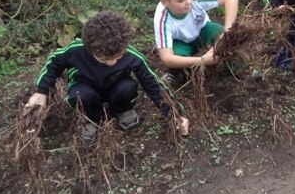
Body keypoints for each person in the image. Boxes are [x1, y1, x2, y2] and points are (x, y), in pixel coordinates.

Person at [24, 11, 189, 141]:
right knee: (79, 96)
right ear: (89, 49)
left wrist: (173, 113)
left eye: (117, 57)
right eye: (104, 59)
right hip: (85, 86)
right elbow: (54, 62)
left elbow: (153, 84)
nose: (112, 63)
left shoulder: (132, 56)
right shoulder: (76, 50)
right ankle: (92, 119)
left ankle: (122, 110)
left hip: (116, 88)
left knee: (127, 87)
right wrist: (41, 91)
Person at [153, 0, 239, 83]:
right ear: (165, 2)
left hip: (203, 30)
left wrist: (226, 33)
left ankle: (237, 67)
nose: (188, 1)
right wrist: (202, 60)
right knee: (176, 58)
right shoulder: (161, 19)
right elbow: (166, 58)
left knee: (227, 39)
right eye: (180, 0)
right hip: (180, 42)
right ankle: (174, 75)